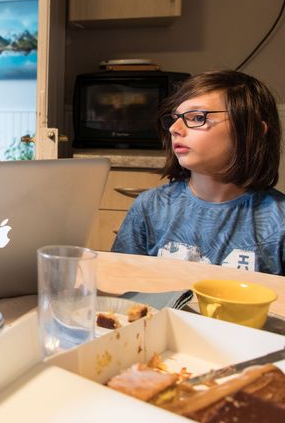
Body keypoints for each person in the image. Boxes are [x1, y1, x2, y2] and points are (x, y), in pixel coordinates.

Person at [112, 70, 285, 274]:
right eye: (174, 119)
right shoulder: (150, 207)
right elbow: (122, 288)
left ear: (253, 130)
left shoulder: (278, 222)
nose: (174, 128)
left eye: (196, 117)